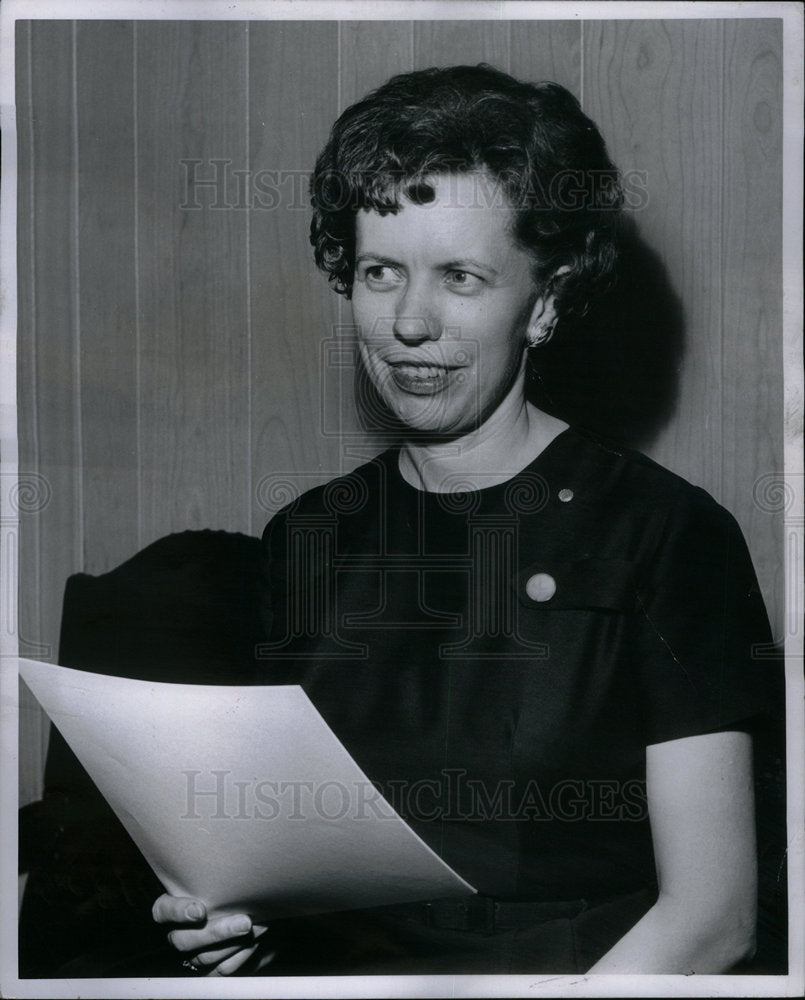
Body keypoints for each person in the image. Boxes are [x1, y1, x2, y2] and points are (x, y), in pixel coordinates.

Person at [152, 64, 772, 976]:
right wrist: (236, 921)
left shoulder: (668, 535)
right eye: (379, 272)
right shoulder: (305, 537)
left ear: (548, 301)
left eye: (461, 277)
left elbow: (714, 917)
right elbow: (282, 862)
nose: (408, 321)